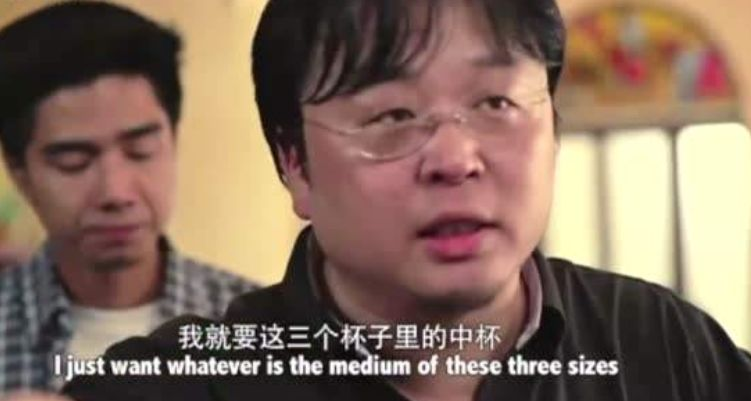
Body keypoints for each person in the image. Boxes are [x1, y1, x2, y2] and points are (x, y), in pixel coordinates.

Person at [63, 0, 751, 400]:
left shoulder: (662, 345)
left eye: (495, 102)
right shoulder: (178, 384)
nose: (455, 159)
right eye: (392, 116)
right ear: (294, 165)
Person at [0, 2, 257, 394]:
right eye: (74, 161)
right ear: (20, 173)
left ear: (173, 139)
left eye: (140, 150)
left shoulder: (262, 328)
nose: (116, 192)